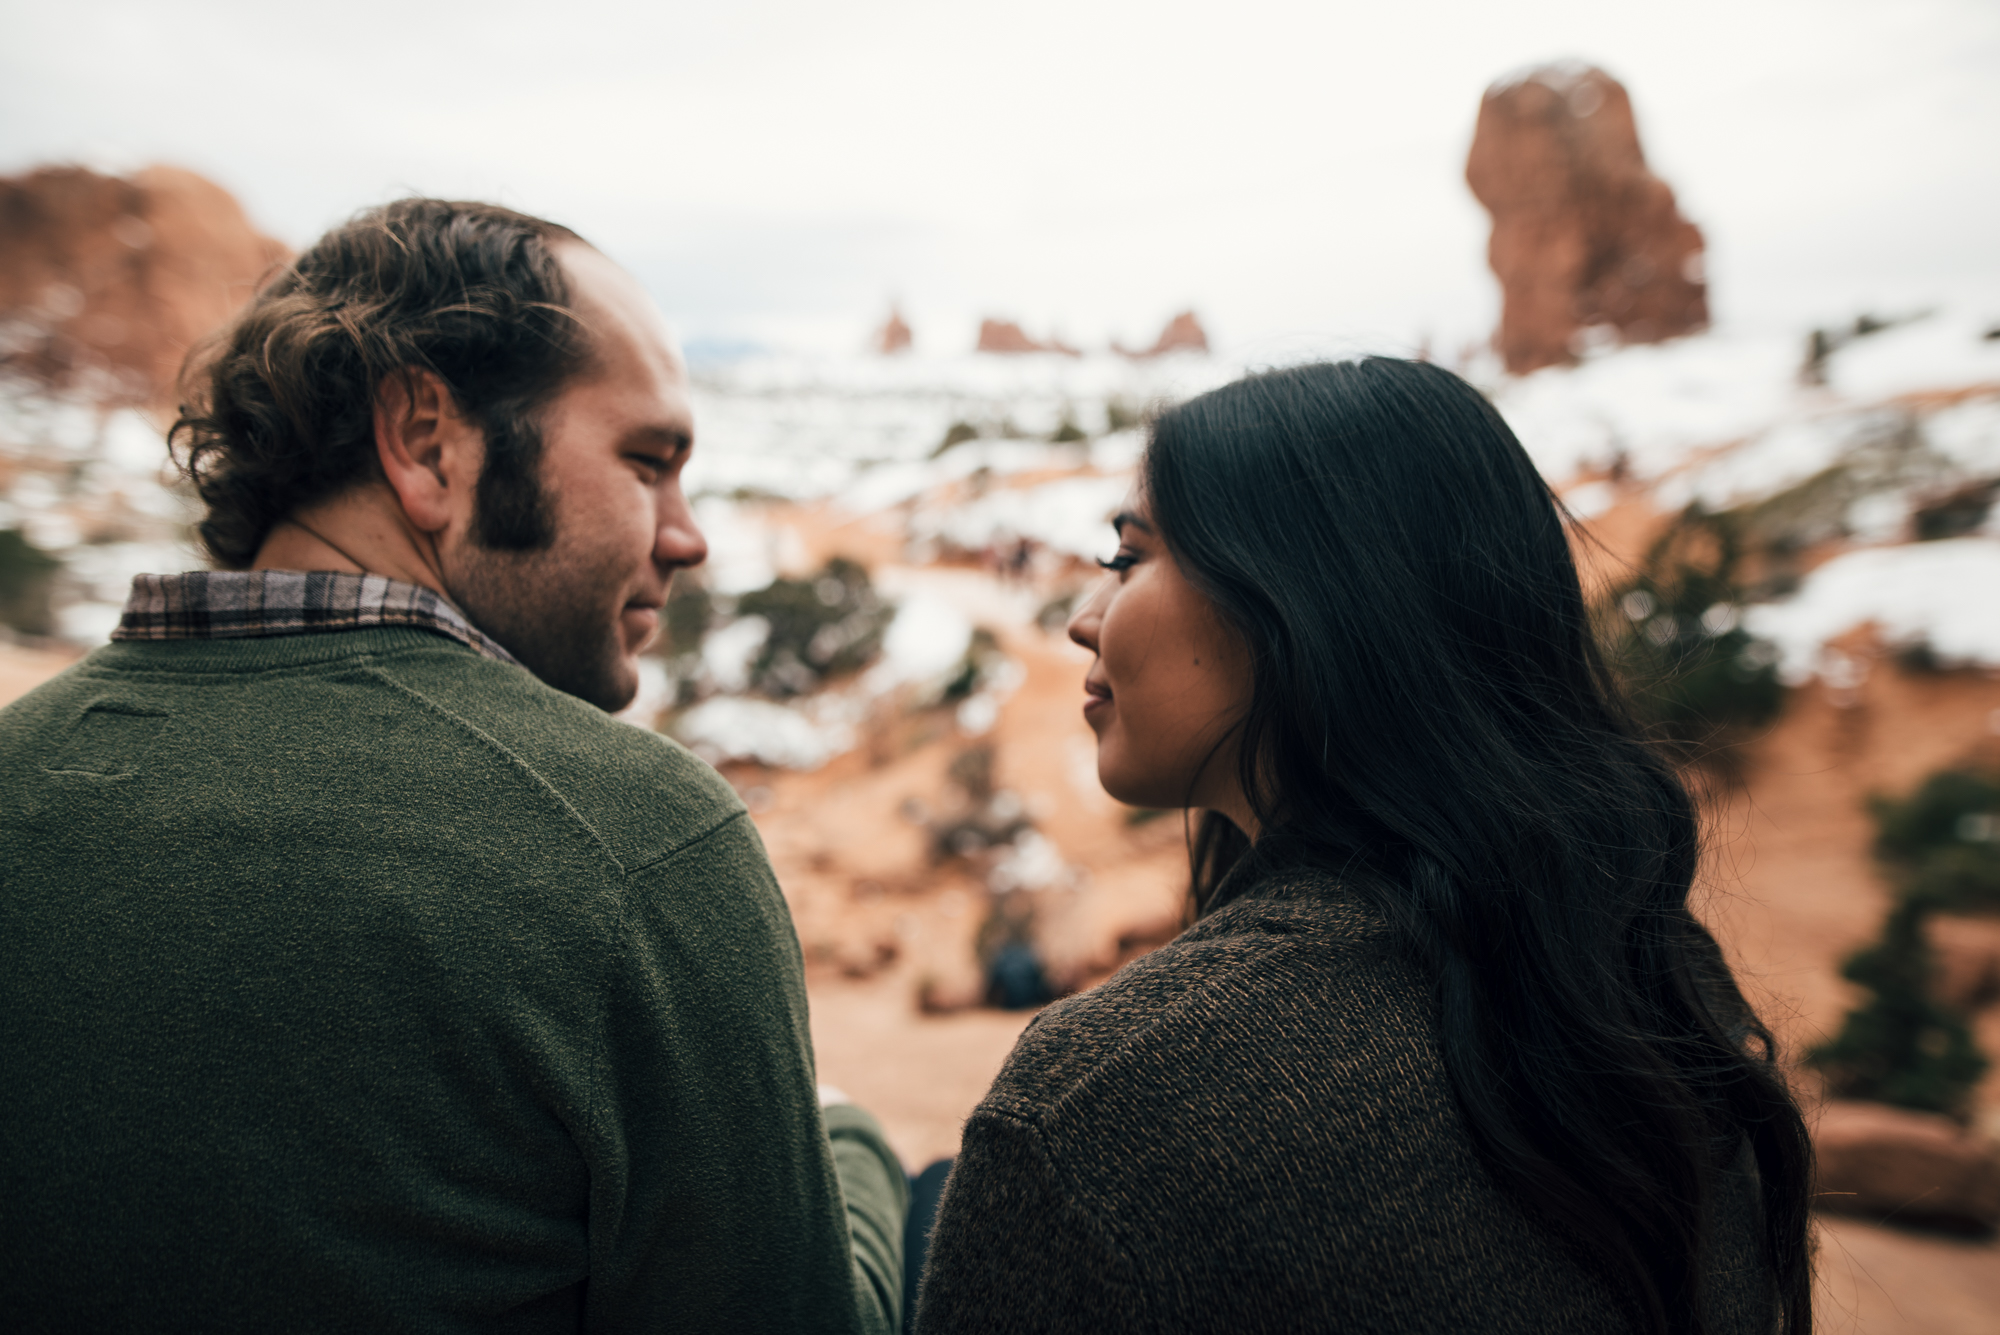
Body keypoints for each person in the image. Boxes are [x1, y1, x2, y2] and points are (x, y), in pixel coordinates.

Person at [0, 199, 905, 1332]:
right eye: (647, 461)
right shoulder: (634, 847)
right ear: (428, 442)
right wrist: (853, 1150)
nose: (687, 535)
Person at [914, 359, 1815, 1334]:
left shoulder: (1102, 1109)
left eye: (1127, 559)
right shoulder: (1645, 964)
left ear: (1303, 602)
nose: (1082, 620)